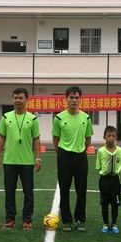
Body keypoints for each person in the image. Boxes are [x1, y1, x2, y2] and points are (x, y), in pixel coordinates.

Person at [0, 87, 42, 230]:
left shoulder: (33, 119)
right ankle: (10, 218)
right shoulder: (6, 117)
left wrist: (38, 158)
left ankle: (27, 219)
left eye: (21, 98)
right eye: (15, 98)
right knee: (9, 192)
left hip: (27, 162)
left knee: (28, 192)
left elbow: (36, 140)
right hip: (9, 161)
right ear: (12, 99)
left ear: (27, 100)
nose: (18, 100)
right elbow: (1, 138)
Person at [52, 86, 93, 231]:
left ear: (80, 99)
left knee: (81, 189)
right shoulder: (59, 118)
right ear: (66, 99)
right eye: (71, 97)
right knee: (64, 189)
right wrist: (60, 153)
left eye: (76, 98)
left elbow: (88, 138)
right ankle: (67, 220)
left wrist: (81, 149)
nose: (74, 100)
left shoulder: (86, 118)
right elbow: (55, 138)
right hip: (64, 156)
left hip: (81, 156)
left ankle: (80, 219)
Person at [95, 125, 121, 234]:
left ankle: (114, 224)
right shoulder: (100, 151)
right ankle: (105, 224)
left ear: (116, 137)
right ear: (104, 137)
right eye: (109, 136)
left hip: (116, 180)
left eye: (113, 136)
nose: (111, 138)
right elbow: (98, 166)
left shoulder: (120, 150)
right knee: (104, 203)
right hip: (104, 180)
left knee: (115, 204)